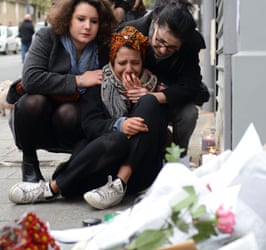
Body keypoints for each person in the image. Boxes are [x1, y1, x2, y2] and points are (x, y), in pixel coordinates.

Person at [9, 26, 167, 210]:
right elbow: (90, 126)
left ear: (142, 63)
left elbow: (164, 121)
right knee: (117, 139)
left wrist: (141, 98)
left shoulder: (154, 85)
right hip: (102, 160)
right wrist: (120, 124)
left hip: (138, 169)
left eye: (135, 63)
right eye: (122, 63)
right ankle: (53, 188)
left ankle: (116, 184)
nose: (129, 69)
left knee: (150, 103)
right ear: (113, 62)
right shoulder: (99, 83)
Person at [8, 0, 117, 183]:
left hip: (74, 120)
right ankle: (29, 163)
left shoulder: (103, 48)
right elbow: (31, 78)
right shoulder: (47, 36)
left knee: (70, 112)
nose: (87, 26)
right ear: (68, 19)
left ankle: (72, 167)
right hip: (38, 118)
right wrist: (79, 80)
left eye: (94, 21)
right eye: (81, 19)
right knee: (32, 102)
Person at [121, 0, 210, 157]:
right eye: (160, 41)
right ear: (155, 24)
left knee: (189, 114)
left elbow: (191, 86)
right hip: (128, 99)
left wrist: (152, 97)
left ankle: (177, 158)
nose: (162, 50)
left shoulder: (191, 44)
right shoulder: (130, 32)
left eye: (171, 48)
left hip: (168, 98)